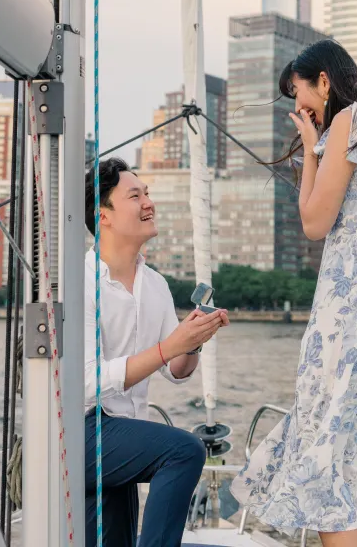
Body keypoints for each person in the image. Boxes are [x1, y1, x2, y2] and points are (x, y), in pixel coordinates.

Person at [231, 40, 357, 546]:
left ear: (324, 82)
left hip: (347, 308)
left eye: (300, 92)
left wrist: (313, 149)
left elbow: (314, 223)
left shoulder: (345, 123)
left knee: (323, 454)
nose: (299, 106)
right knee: (340, 452)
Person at [84, 157, 229, 547]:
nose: (149, 202)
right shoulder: (79, 281)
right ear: (103, 216)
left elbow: (177, 370)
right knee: (184, 451)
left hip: (123, 435)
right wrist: (169, 346)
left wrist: (193, 339)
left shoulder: (155, 285)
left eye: (147, 193)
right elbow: (84, 383)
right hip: (79, 432)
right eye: (135, 196)